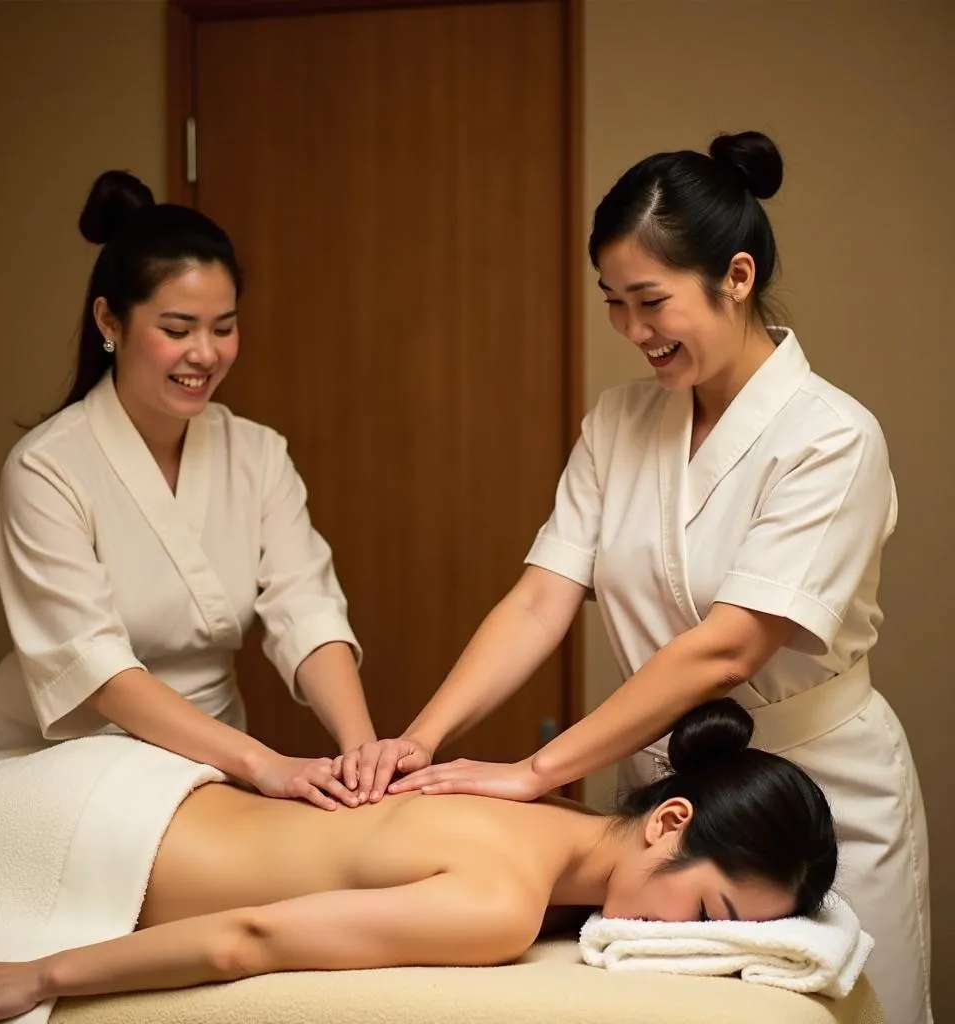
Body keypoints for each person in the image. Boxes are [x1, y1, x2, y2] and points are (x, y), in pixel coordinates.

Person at [343, 131, 931, 1024]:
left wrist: (535, 772)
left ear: (736, 277)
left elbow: (726, 650)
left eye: (651, 301)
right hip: (670, 804)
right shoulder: (620, 421)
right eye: (614, 302)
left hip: (813, 805)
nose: (631, 332)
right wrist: (423, 740)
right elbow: (542, 595)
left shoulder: (832, 438)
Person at [0, 700, 839, 1024]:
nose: (697, 950)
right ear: (668, 822)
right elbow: (248, 940)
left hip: (138, 788)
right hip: (89, 844)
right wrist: (41, 975)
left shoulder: (538, 820)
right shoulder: (502, 907)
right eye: (711, 918)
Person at [0, 170, 379, 810]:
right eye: (178, 329)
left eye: (223, 327)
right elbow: (96, 669)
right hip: (61, 761)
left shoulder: (258, 453)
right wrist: (262, 764)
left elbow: (307, 607)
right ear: (111, 320)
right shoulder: (48, 467)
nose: (205, 354)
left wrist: (361, 750)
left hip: (203, 766)